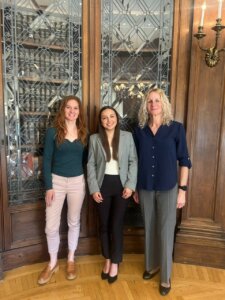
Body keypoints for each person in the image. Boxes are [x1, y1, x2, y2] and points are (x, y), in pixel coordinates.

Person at [133, 87, 192, 296]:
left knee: (166, 231)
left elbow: (184, 160)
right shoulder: (139, 131)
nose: (153, 104)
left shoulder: (176, 128)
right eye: (149, 101)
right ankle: (152, 265)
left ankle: (165, 276)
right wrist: (135, 187)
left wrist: (183, 190)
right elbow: (136, 161)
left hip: (169, 187)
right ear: (146, 106)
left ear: (163, 103)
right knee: (149, 227)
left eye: (157, 100)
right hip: (145, 187)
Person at [38, 95, 87, 285]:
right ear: (63, 110)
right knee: (51, 225)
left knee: (73, 222)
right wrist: (49, 186)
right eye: (68, 107)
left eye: (75, 108)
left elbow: (85, 160)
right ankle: (52, 263)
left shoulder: (84, 132)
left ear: (79, 112)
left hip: (77, 182)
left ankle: (71, 259)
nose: (72, 111)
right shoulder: (53, 132)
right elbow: (47, 160)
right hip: (56, 182)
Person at [87, 106, 137, 284]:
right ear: (100, 121)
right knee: (104, 225)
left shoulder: (127, 137)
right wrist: (93, 189)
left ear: (117, 118)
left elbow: (133, 161)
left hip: (121, 186)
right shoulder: (94, 139)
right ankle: (107, 259)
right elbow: (91, 165)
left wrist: (131, 186)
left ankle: (116, 262)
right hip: (102, 186)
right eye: (104, 118)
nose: (109, 120)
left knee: (116, 225)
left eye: (112, 116)